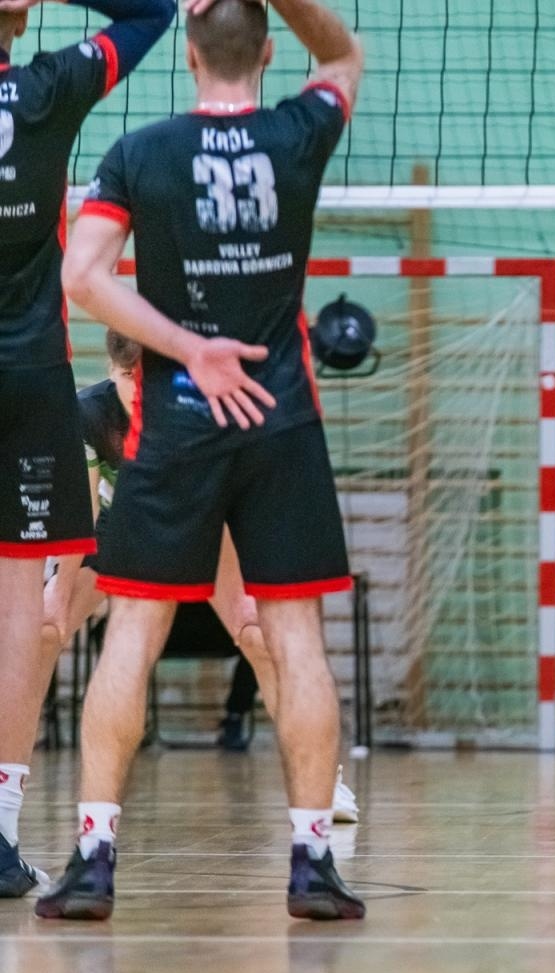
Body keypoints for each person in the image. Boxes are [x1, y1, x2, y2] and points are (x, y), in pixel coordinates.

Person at [36, 0, 366, 921]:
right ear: (265, 49)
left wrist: (188, 347)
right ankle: (312, 861)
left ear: (187, 55)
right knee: (294, 639)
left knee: (130, 636)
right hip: (280, 415)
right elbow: (342, 54)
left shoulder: (141, 152)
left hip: (178, 420)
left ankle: (95, 856)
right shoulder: (301, 129)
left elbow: (83, 278)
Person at [0, 0, 176, 897]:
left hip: (39, 396)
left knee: (41, 614)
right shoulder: (52, 86)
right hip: (30, 381)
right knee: (27, 614)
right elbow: (153, 10)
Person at [36, 330, 360, 814]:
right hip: (113, 531)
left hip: (202, 527)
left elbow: (230, 500)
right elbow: (78, 522)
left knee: (255, 633)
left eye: (146, 379)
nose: (137, 390)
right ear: (110, 369)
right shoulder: (86, 416)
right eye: (126, 377)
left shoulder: (193, 408)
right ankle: (7, 790)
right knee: (43, 630)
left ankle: (322, 783)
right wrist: (59, 596)